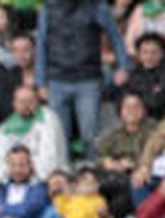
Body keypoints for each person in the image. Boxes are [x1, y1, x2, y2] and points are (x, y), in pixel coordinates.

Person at [35, 0, 129, 153]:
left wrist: (124, 66)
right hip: (56, 80)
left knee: (89, 135)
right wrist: (40, 82)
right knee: (58, 137)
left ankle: (92, 171)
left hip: (88, 80)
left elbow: (116, 38)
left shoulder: (98, 6)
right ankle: (60, 174)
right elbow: (41, 44)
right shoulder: (48, 8)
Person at [0, 84, 65, 184]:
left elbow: (50, 158)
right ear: (14, 103)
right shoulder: (4, 129)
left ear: (38, 102)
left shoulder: (48, 120)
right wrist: (12, 173)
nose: (26, 105)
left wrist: (24, 168)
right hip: (11, 180)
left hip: (44, 181)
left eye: (30, 101)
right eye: (21, 101)